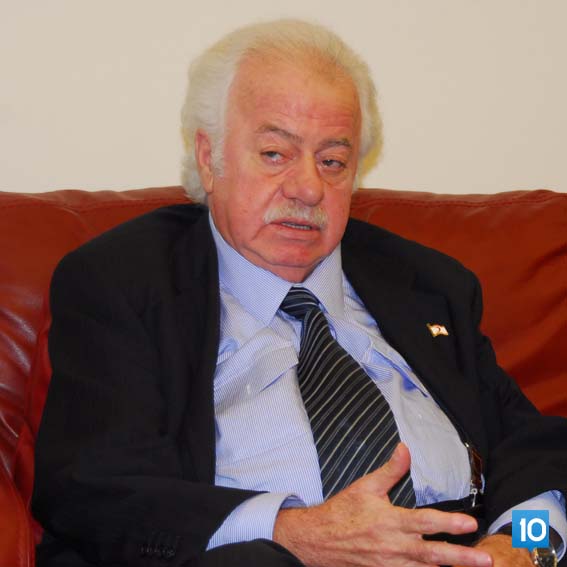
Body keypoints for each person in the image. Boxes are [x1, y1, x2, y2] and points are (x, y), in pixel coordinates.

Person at [32, 19, 567, 567]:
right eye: (275, 153)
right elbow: (94, 489)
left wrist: (525, 547)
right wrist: (293, 533)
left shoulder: (429, 284)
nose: (309, 188)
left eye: (332, 162)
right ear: (209, 159)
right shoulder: (122, 283)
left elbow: (534, 451)